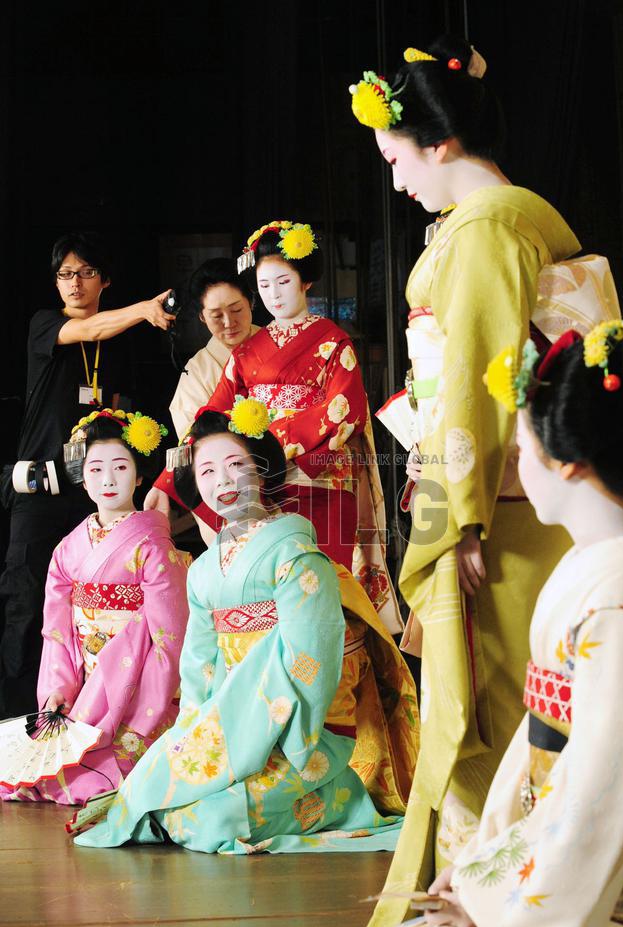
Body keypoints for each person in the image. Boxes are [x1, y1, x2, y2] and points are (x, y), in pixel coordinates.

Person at [328, 321, 623, 927]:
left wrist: (499, 898)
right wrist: (485, 865)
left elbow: (605, 787)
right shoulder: (596, 575)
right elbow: (540, 757)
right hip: (563, 880)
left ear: (567, 460)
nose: (512, 462)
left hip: (617, 906)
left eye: (520, 449)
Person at [342, 35, 589, 927]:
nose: (397, 180)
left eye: (397, 159)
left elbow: (479, 385)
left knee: (494, 708)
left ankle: (497, 909)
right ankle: (510, 897)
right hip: (524, 497)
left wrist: (459, 521)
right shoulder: (511, 219)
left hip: (503, 509)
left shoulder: (485, 229)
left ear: (437, 144)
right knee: (534, 702)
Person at [74, 400, 413, 853]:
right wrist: (197, 731)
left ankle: (337, 796)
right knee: (151, 795)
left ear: (263, 470)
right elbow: (198, 665)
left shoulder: (295, 553)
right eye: (208, 471)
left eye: (236, 465)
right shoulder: (204, 569)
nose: (223, 482)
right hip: (229, 724)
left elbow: (312, 658)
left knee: (208, 821)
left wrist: (278, 737)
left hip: (294, 731)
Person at [147, 220, 403, 633]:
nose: (275, 295)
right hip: (265, 486)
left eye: (283, 282)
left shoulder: (333, 340)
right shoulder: (247, 352)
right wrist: (166, 479)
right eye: (265, 286)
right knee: (270, 599)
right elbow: (211, 419)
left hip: (318, 477)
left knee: (321, 597)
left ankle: (334, 690)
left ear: (306, 283)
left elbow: (344, 408)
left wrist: (265, 443)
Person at [0, 232, 175, 718]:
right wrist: (142, 309)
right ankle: (15, 719)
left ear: (105, 279)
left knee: (92, 608)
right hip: (41, 492)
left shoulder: (118, 346)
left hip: (94, 496)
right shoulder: (45, 325)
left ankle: (89, 714)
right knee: (26, 600)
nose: (73, 284)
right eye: (64, 275)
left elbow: (126, 411)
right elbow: (91, 330)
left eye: (85, 273)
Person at [0, 408, 189, 806]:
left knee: (114, 763)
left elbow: (169, 639)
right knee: (48, 763)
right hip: (86, 681)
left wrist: (147, 706)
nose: (107, 479)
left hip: (138, 682)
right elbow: (57, 631)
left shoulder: (153, 545)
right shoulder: (69, 547)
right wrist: (58, 689)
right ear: (81, 479)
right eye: (95, 469)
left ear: (139, 476)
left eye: (120, 467)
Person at [169, 258, 260, 546]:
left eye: (236, 310)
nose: (229, 323)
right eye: (216, 315)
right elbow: (194, 448)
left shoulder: (281, 346)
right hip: (231, 492)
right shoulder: (197, 373)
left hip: (294, 480)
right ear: (201, 317)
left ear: (252, 302)